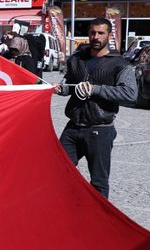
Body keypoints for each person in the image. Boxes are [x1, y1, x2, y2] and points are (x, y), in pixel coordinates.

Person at [53, 17, 137, 199]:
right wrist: (62, 89)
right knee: (56, 170)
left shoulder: (119, 63)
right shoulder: (78, 59)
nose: (96, 37)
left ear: (109, 35)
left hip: (100, 129)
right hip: (73, 127)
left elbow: (130, 94)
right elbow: (70, 83)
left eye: (101, 33)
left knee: (99, 181)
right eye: (92, 33)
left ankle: (99, 222)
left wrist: (96, 89)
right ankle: (65, 207)